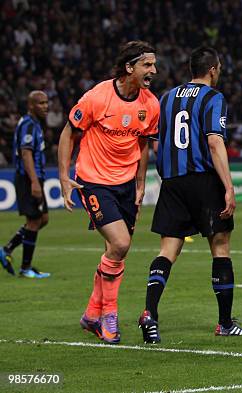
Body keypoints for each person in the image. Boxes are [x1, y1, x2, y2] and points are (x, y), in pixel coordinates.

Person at [137, 45, 242, 344]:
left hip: (173, 182)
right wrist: (228, 186)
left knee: (167, 251)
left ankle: (149, 313)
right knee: (220, 247)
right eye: (220, 67)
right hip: (203, 180)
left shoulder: (167, 97)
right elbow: (214, 142)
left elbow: (157, 144)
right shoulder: (214, 98)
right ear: (212, 69)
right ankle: (225, 323)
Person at [57, 41, 159, 344]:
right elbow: (68, 133)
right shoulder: (96, 97)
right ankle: (108, 316)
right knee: (120, 243)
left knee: (115, 251)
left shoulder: (150, 104)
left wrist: (140, 184)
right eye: (147, 65)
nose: (153, 71)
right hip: (94, 181)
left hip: (126, 184)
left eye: (154, 65)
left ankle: (91, 314)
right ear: (130, 67)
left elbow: (143, 145)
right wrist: (64, 177)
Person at [0, 91, 51, 279]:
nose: (45, 106)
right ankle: (25, 268)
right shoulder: (29, 125)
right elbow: (26, 153)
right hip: (29, 178)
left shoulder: (34, 124)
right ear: (31, 106)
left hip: (34, 177)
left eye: (46, 102)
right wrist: (34, 182)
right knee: (35, 220)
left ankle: (6, 249)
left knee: (42, 219)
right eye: (41, 103)